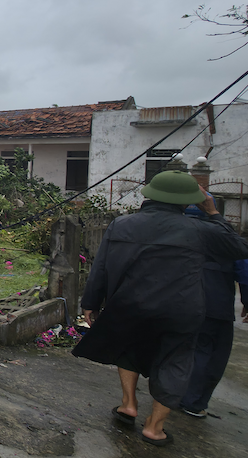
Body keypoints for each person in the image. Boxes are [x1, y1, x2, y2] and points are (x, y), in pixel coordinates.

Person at [73, 170, 248, 447]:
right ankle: (155, 427)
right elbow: (239, 248)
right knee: (174, 362)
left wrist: (90, 302)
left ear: (150, 195)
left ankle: (128, 405)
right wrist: (214, 213)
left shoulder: (122, 224)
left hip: (128, 304)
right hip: (180, 310)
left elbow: (102, 267)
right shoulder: (200, 230)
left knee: (127, 350)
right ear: (188, 201)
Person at [180, 254, 248, 418]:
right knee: (211, 354)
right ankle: (193, 402)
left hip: (181, 303)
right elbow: (245, 273)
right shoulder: (227, 240)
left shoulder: (183, 231)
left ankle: (169, 395)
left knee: (179, 349)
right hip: (215, 306)